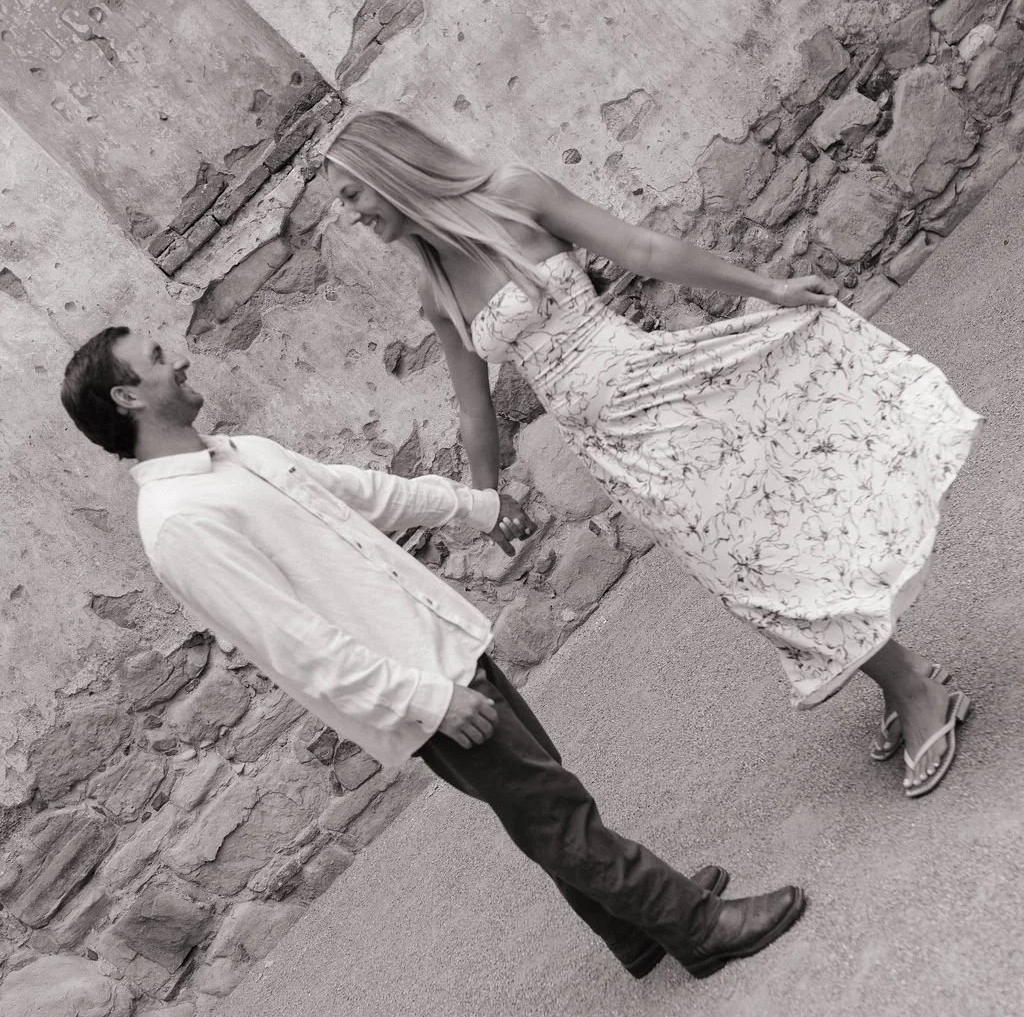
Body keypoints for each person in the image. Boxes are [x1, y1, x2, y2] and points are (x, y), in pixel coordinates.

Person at [59, 325, 807, 983]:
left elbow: (363, 493)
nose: (180, 360)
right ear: (127, 397)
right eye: (158, 357)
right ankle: (695, 926)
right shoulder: (179, 523)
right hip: (419, 687)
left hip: (438, 642)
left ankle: (632, 927)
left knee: (545, 801)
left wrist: (476, 507)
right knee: (557, 812)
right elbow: (295, 645)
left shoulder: (237, 455)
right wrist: (428, 702)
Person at [321, 111, 980, 799]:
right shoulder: (435, 290)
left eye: (350, 194)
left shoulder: (514, 193)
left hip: (663, 399)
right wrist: (483, 499)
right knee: (744, 571)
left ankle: (914, 691)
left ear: (388, 170)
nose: (349, 214)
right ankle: (903, 676)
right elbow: (472, 410)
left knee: (759, 557)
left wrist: (767, 288)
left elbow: (642, 249)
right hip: (615, 449)